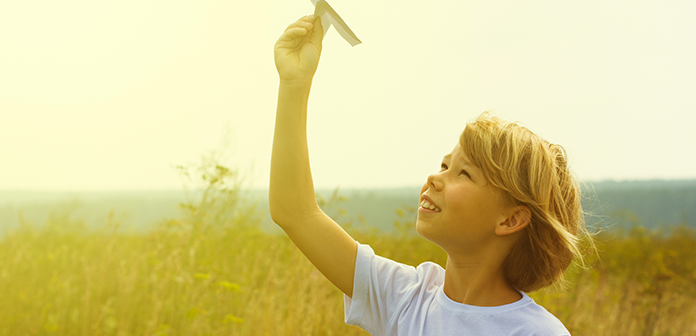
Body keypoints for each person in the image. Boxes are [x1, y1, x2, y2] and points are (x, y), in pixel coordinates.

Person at [270, 14, 591, 336]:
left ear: (510, 220)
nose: (435, 179)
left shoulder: (535, 332)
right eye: (444, 165)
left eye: (463, 173)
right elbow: (295, 212)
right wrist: (295, 84)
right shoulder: (405, 297)